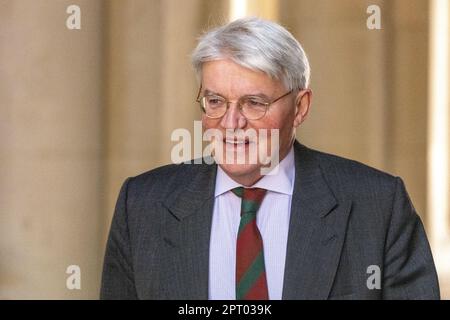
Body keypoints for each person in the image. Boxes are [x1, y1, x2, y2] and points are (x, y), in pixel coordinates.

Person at [100, 17, 440, 300]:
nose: (231, 123)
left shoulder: (377, 204)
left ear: (300, 107)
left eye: (254, 103)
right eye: (215, 101)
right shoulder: (142, 205)